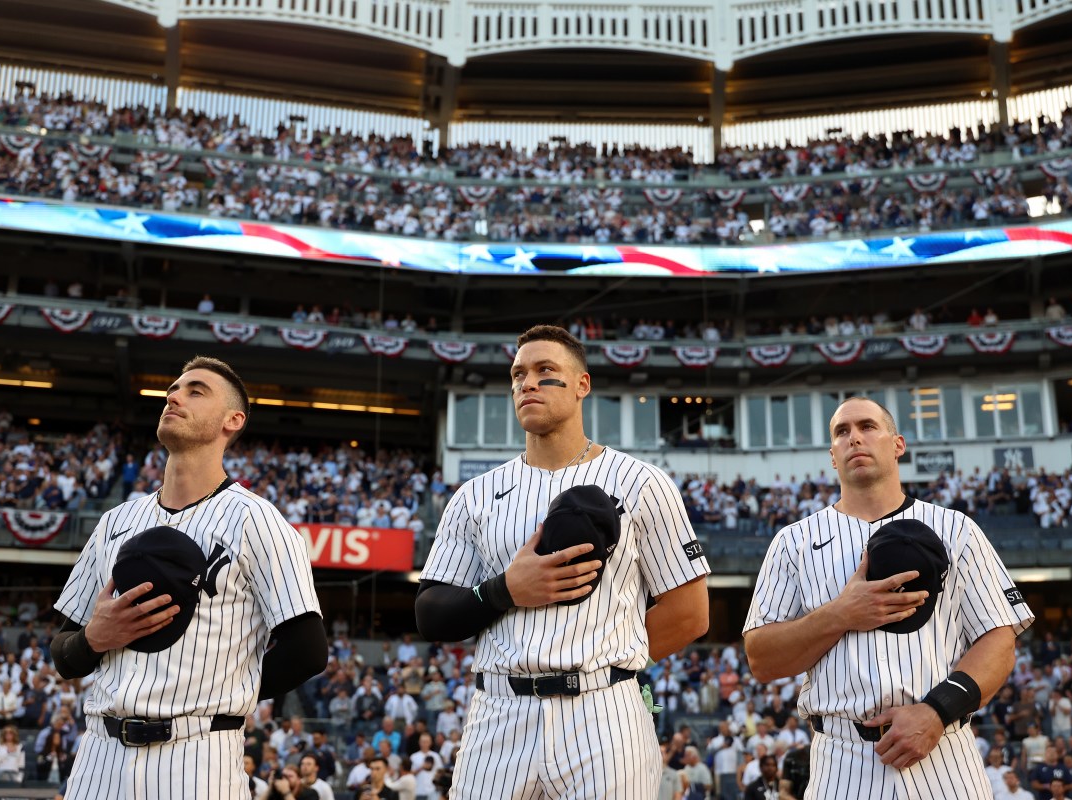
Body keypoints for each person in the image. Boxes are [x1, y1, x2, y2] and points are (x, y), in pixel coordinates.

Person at [416, 324, 711, 799]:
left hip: (604, 716)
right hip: (499, 712)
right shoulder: (475, 494)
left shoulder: (642, 482)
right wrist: (505, 591)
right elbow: (430, 613)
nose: (527, 383)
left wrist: (608, 664)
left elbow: (690, 613)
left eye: (544, 370)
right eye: (518, 374)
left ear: (581, 384)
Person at [49, 356, 328, 798]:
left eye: (195, 391)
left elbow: (308, 650)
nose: (174, 397)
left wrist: (220, 694)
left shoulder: (257, 521)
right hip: (100, 753)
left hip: (198, 754)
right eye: (172, 391)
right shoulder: (115, 521)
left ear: (232, 420)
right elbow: (64, 655)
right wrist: (92, 639)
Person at [743, 396, 1035, 800]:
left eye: (867, 426)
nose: (854, 438)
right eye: (841, 432)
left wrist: (937, 711)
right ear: (832, 456)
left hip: (944, 749)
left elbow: (999, 641)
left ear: (898, 445)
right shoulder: (792, 542)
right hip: (841, 758)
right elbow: (761, 659)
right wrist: (841, 614)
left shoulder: (956, 529)